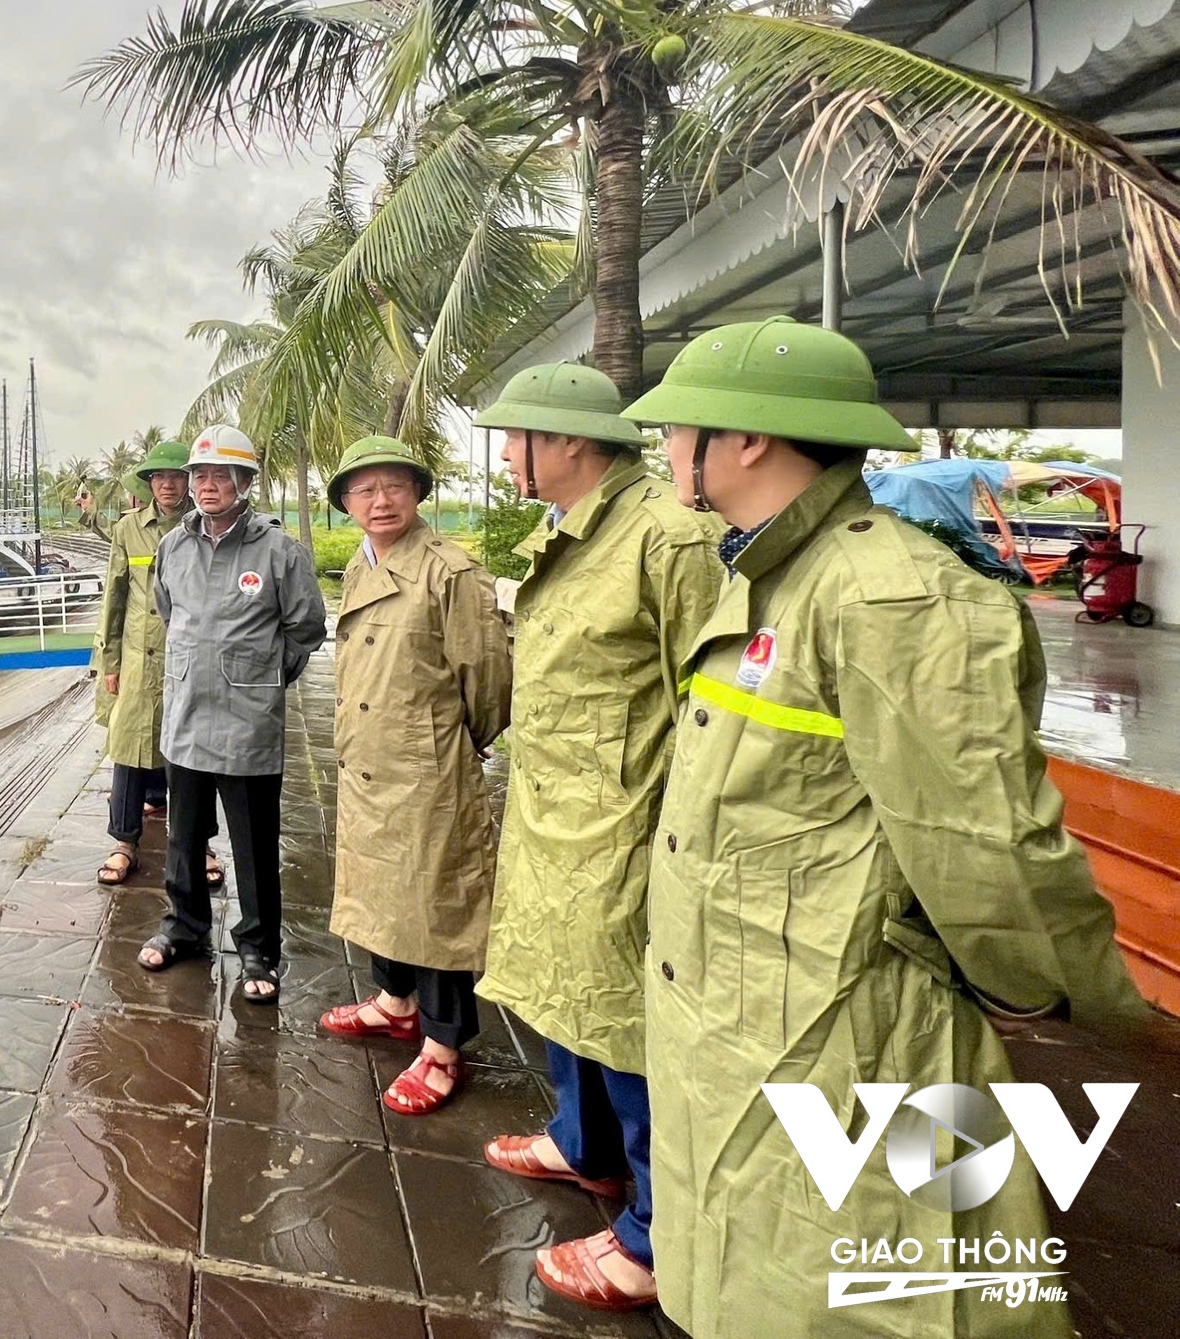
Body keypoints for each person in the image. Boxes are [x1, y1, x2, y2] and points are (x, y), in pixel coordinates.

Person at [617, 317, 1146, 1339]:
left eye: (680, 425)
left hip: (850, 1027)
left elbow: (986, 846)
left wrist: (1058, 996)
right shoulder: (772, 573)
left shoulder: (890, 595)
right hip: (742, 1017)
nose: (670, 445)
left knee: (897, 1294)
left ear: (749, 440)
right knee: (755, 1274)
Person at [467, 364, 722, 1314]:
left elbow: (706, 698)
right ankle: (585, 1146)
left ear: (568, 442)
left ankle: (655, 1238)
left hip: (623, 828)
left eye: (515, 437)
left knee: (624, 1017)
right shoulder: (569, 532)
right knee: (563, 989)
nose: (503, 456)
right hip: (553, 818)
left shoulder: (669, 539)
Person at [315, 436, 511, 1115]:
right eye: (364, 490)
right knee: (381, 889)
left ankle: (443, 1046)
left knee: (436, 902)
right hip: (369, 760)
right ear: (346, 504)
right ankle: (395, 1002)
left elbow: (488, 681)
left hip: (426, 767)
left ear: (418, 494)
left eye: (395, 486)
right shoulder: (362, 567)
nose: (381, 501)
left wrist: (455, 743)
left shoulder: (451, 571)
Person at [140, 423, 327, 1003]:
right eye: (200, 474)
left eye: (222, 475)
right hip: (187, 719)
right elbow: (168, 610)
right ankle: (184, 926)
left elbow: (307, 628)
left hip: (249, 727)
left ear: (246, 482)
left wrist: (262, 680)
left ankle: (258, 948)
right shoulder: (173, 545)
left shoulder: (277, 551)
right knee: (183, 836)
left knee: (252, 847)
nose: (207, 485)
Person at [89, 441, 194, 885]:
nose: (167, 484)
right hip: (136, 658)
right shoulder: (129, 529)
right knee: (129, 750)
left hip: (187, 658)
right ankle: (124, 842)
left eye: (175, 476)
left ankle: (195, 845)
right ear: (149, 484)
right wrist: (108, 660)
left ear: (188, 480)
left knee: (190, 755)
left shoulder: (202, 527)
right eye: (159, 477)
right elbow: (114, 598)